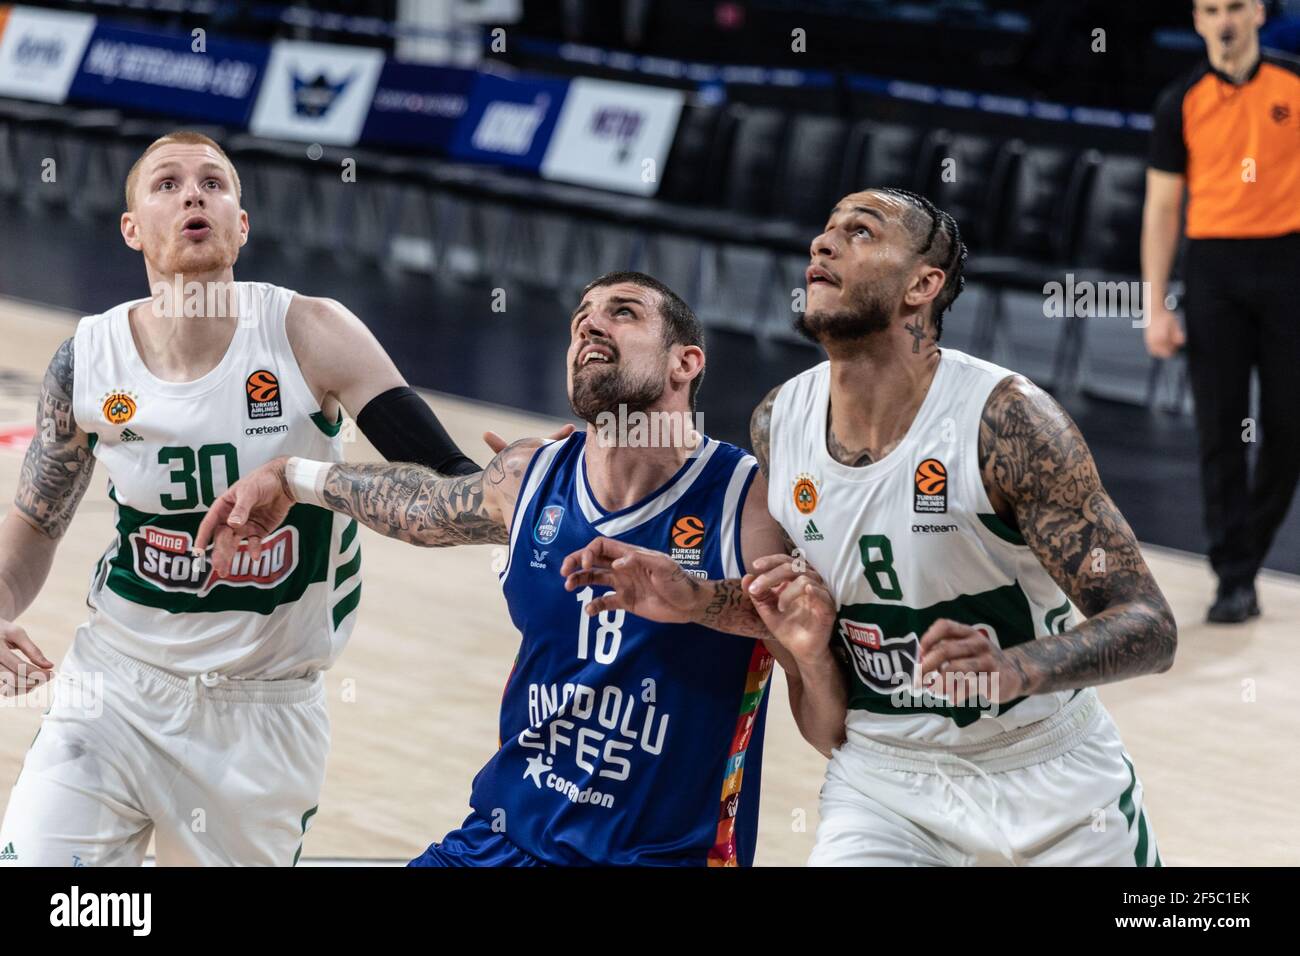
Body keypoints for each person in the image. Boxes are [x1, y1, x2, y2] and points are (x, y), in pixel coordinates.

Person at [567, 190, 1178, 866]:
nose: (821, 245)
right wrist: (697, 598)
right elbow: (803, 613)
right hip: (886, 782)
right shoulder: (780, 422)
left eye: (860, 232)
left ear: (923, 285)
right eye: (824, 230)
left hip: (1047, 778)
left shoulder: (1007, 422)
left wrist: (1016, 668)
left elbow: (1149, 624)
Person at [197, 271, 846, 866]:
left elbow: (828, 724)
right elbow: (419, 505)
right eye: (581, 318)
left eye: (622, 313)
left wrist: (773, 636)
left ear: (686, 362)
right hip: (502, 839)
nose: (590, 325)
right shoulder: (531, 475)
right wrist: (291, 475)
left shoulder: (751, 502)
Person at [0, 131, 481, 866]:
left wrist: (304, 479)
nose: (193, 193)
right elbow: (36, 521)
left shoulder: (311, 334)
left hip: (262, 713)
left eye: (213, 183)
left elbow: (448, 492)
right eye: (166, 183)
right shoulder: (89, 360)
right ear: (131, 228)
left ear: (241, 224)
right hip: (115, 688)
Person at [1142, 0, 1300, 622]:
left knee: (1289, 429)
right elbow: (1160, 209)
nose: (1225, 20)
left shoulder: (1293, 86)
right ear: (1198, 20)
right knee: (1220, 429)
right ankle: (1234, 574)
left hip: (1289, 265)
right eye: (1211, 9)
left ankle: (1246, 552)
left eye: (1236, 6)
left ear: (1259, 13)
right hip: (1214, 273)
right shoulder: (1180, 101)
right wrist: (1155, 304)